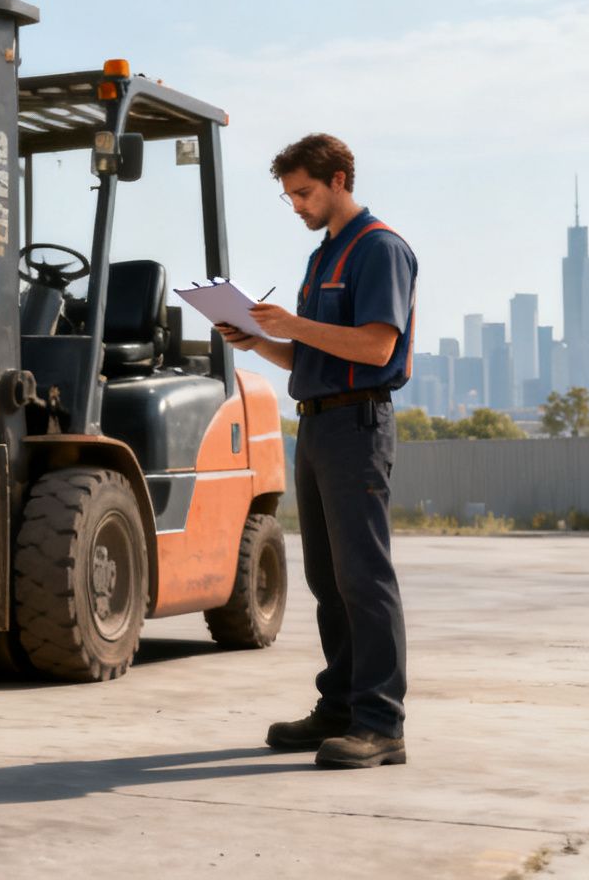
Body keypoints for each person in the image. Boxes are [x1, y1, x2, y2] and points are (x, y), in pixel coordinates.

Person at [213, 133, 416, 770]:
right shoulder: (322, 257)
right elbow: (310, 354)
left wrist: (292, 324)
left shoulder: (379, 250)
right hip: (318, 425)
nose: (297, 205)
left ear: (339, 179)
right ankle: (341, 708)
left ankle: (382, 725)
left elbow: (376, 348)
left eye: (304, 193)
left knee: (365, 579)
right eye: (290, 196)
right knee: (327, 579)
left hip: (358, 426)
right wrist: (254, 341)